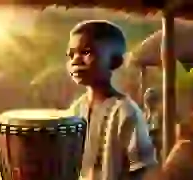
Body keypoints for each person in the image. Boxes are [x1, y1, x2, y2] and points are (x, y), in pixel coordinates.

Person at [67, 20, 157, 180]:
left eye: (86, 52)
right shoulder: (76, 109)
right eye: (71, 55)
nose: (75, 61)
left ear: (115, 61)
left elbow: (142, 171)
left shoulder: (126, 113)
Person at [144, 87, 162, 162]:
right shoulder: (145, 115)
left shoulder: (158, 115)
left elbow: (154, 131)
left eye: (151, 100)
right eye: (147, 100)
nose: (148, 103)